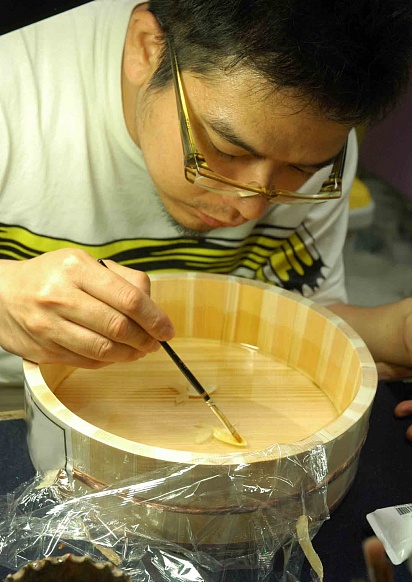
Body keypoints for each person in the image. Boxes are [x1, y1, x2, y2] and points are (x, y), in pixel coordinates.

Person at [0, 0, 411, 438]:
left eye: (299, 170)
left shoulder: (316, 144)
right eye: (227, 151)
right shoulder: (14, 87)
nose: (250, 208)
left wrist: (397, 331)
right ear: (147, 47)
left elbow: (296, 317)